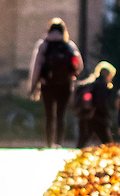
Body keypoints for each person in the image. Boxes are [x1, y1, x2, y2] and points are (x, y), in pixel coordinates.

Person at [26, 19, 81, 148]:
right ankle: (59, 142)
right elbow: (79, 66)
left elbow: (37, 67)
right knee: (61, 115)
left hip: (47, 84)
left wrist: (33, 86)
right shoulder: (69, 46)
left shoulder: (44, 45)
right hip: (65, 85)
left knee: (49, 115)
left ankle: (49, 143)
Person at [75, 61, 118, 146]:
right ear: (107, 74)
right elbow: (100, 103)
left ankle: (75, 157)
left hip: (85, 116)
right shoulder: (101, 85)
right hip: (98, 118)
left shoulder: (90, 84)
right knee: (109, 144)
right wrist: (107, 116)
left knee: (82, 142)